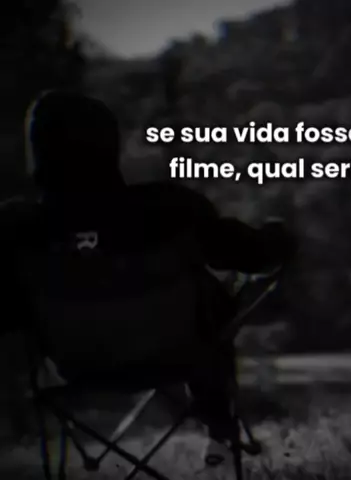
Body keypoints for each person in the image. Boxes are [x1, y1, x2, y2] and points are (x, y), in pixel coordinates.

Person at [1, 90, 296, 465]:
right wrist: (278, 236)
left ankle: (220, 431)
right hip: (178, 353)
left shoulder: (16, 229)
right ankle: (220, 429)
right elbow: (250, 255)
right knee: (215, 303)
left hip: (77, 364)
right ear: (109, 144)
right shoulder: (169, 208)